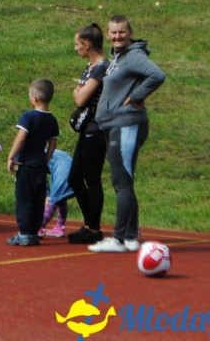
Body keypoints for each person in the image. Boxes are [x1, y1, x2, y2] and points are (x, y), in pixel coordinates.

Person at [88, 15, 166, 254]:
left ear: (130, 33)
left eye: (121, 32)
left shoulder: (134, 56)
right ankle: (131, 236)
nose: (117, 36)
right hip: (115, 124)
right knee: (125, 181)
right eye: (113, 32)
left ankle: (119, 239)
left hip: (127, 124)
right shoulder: (118, 58)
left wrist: (137, 96)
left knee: (121, 182)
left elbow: (157, 75)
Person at [66, 22, 111, 245]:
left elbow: (81, 98)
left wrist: (77, 91)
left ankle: (94, 228)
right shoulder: (90, 67)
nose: (75, 48)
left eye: (77, 44)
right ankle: (88, 224)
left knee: (92, 179)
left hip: (97, 129)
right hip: (87, 129)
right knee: (75, 177)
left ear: (86, 44)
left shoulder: (102, 68)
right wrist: (79, 91)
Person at [6, 79, 60, 247]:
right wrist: (46, 159)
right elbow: (52, 143)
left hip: (26, 164)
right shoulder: (52, 119)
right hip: (40, 165)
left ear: (34, 98)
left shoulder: (28, 116)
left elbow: (21, 138)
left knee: (24, 198)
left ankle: (23, 233)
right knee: (38, 198)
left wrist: (11, 157)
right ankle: (34, 231)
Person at [39, 149, 73, 238]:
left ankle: (37, 228)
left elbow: (41, 176)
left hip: (62, 171)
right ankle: (60, 227)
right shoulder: (47, 151)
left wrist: (46, 194)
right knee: (61, 199)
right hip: (72, 168)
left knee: (53, 202)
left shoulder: (35, 157)